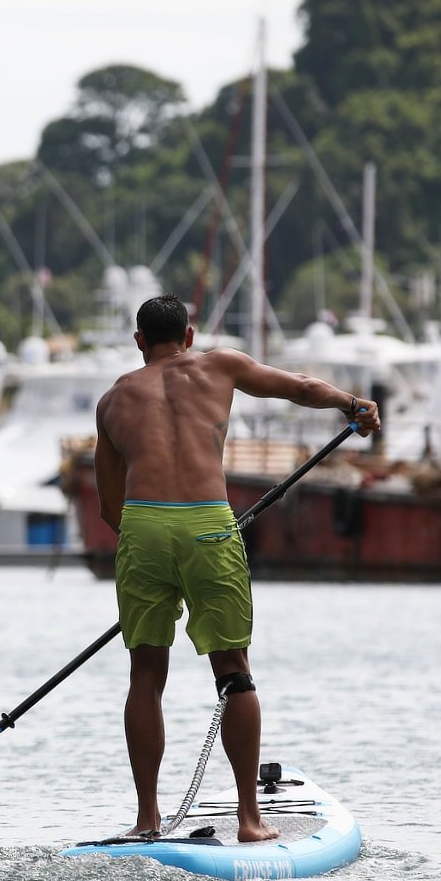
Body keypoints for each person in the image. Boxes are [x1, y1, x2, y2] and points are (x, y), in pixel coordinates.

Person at [93, 295, 380, 842]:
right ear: (190, 335)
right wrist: (352, 404)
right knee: (234, 671)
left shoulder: (114, 400)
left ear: (138, 342)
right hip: (207, 524)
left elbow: (110, 508)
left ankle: (146, 820)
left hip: (143, 530)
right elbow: (298, 387)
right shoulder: (219, 364)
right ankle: (250, 819)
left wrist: (151, 548)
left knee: (145, 677)